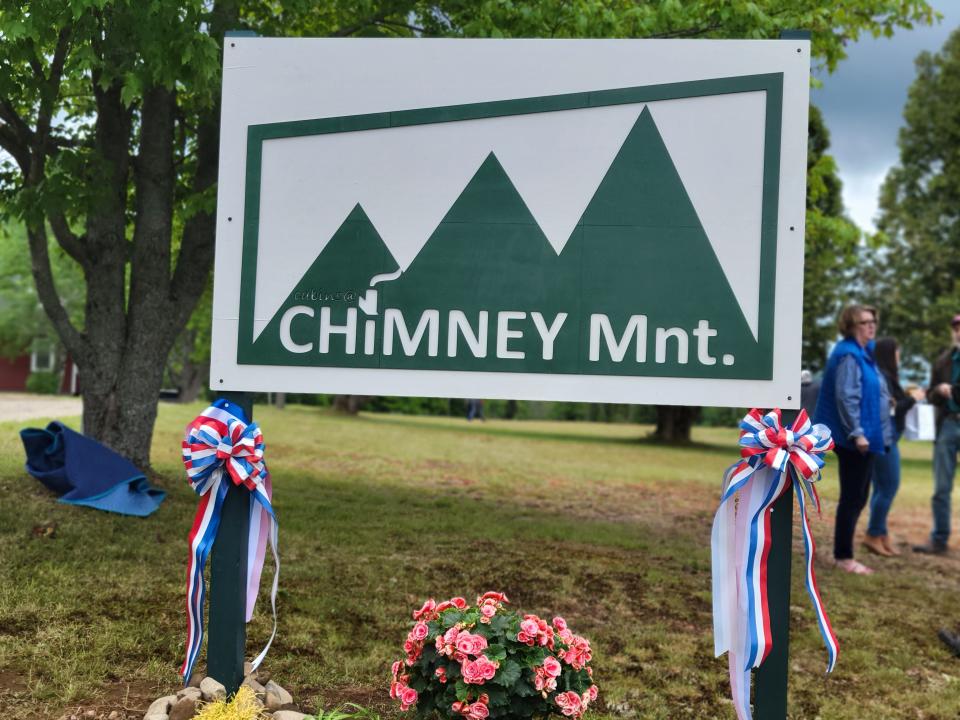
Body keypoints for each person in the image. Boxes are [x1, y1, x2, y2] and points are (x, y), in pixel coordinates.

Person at [813, 304, 892, 575]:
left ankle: (844, 553)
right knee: (853, 496)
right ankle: (843, 556)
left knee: (859, 496)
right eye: (864, 322)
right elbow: (846, 397)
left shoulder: (863, 353)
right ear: (850, 326)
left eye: (873, 321)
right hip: (854, 437)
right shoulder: (848, 354)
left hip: (866, 434)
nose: (871, 326)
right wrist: (857, 432)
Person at [863, 338, 924, 556]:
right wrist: (915, 398)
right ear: (890, 354)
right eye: (898, 352)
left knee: (881, 488)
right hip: (885, 439)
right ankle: (873, 534)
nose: (899, 356)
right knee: (889, 487)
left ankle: (880, 533)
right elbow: (893, 410)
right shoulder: (884, 377)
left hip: (884, 438)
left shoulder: (883, 376)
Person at [914, 314, 960, 554]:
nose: (959, 331)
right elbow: (930, 394)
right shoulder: (943, 361)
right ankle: (939, 539)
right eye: (957, 327)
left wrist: (954, 389)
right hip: (948, 425)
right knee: (942, 487)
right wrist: (939, 391)